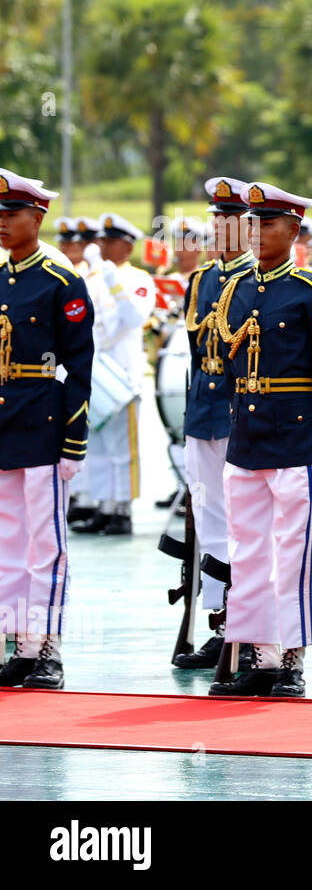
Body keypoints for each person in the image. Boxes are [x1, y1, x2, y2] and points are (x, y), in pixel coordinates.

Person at [208, 182, 312, 697]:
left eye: (269, 223)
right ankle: (257, 656)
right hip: (247, 438)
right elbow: (226, 370)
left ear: (294, 229)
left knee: (291, 553)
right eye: (252, 223)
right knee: (247, 551)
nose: (258, 232)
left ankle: (289, 659)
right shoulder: (234, 290)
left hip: (296, 437)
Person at [0, 169, 94, 690]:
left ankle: (48, 648)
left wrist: (73, 440)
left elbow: (80, 366)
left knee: (46, 543)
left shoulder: (62, 282)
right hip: (5, 420)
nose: (2, 223)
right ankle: (20, 644)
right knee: (8, 541)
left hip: (43, 422)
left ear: (37, 218)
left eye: (12, 215)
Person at [172, 177, 255, 668]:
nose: (222, 228)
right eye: (217, 219)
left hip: (241, 412)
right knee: (211, 522)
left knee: (244, 523)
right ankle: (219, 622)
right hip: (203, 412)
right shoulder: (201, 280)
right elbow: (194, 355)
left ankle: (246, 627)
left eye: (233, 220)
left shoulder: (255, 280)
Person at [71, 213, 155, 536]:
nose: (101, 245)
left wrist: (109, 276)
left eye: (109, 241)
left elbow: (133, 316)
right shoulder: (91, 278)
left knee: (124, 447)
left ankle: (123, 508)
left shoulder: (138, 280)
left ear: (126, 246)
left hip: (125, 373)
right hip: (97, 373)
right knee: (100, 446)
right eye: (101, 240)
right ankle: (104, 505)